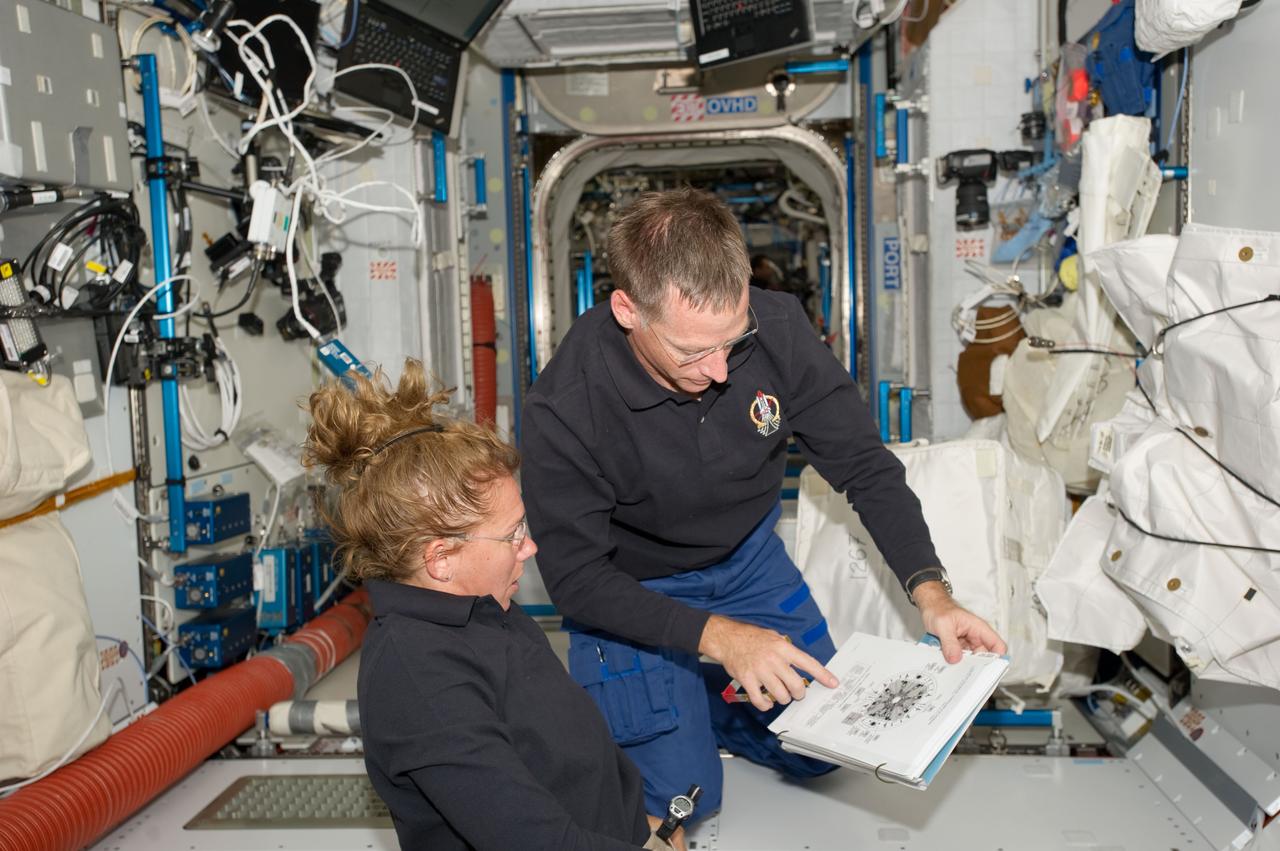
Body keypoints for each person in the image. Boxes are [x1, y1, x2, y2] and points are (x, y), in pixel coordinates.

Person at [520, 188, 1008, 831]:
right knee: (681, 800)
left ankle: (707, 698)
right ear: (626, 310)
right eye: (692, 352)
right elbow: (577, 582)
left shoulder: (776, 328)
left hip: (748, 562)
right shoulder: (565, 405)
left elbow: (864, 466)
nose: (721, 371)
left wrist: (932, 591)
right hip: (630, 590)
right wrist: (721, 638)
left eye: (732, 338)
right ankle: (678, 703)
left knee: (826, 748)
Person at [304, 359, 679, 850]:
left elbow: (561, 748)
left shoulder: (482, 607)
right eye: (513, 534)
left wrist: (639, 824)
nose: (530, 547)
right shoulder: (418, 681)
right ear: (440, 558)